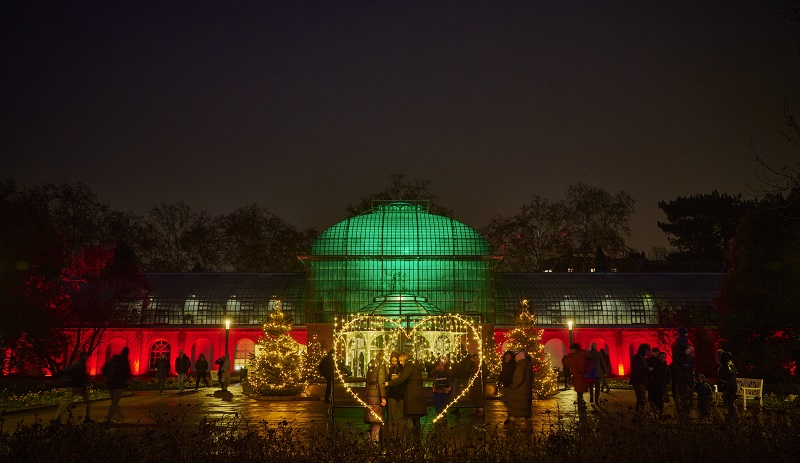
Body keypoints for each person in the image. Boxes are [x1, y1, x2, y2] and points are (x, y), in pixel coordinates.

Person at [385, 352, 426, 441]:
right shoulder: (416, 366)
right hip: (418, 395)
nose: (400, 363)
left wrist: (389, 383)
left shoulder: (408, 366)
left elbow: (402, 379)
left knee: (409, 420)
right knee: (416, 420)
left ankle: (411, 440)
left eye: (400, 360)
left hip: (412, 396)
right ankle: (417, 440)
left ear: (404, 359)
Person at [54, 351, 91, 423]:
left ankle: (57, 418)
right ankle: (87, 418)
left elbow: (69, 373)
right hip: (78, 386)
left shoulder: (75, 364)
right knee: (87, 402)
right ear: (84, 357)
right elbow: (81, 377)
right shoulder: (81, 365)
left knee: (65, 402)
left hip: (72, 386)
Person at [363, 350, 387, 443]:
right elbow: (381, 382)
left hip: (369, 395)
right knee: (377, 422)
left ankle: (369, 442)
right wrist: (383, 397)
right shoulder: (381, 366)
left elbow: (367, 380)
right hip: (377, 395)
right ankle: (374, 444)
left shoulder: (371, 366)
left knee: (371, 421)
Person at [103, 347, 131, 424]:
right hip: (118, 384)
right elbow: (126, 372)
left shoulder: (113, 360)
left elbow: (104, 369)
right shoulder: (125, 361)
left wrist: (107, 377)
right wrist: (125, 380)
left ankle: (121, 417)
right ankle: (108, 420)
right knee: (114, 403)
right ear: (127, 353)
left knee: (114, 402)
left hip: (110, 383)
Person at [506, 351, 532, 428]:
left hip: (519, 391)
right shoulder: (527, 365)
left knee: (518, 408)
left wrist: (513, 386)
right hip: (524, 390)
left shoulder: (521, 366)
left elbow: (519, 378)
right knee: (523, 409)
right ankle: (525, 424)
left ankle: (522, 425)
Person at [563, 343, 591, 409]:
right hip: (584, 376)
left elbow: (566, 362)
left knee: (579, 391)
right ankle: (581, 401)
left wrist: (566, 357)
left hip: (579, 376)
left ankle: (580, 404)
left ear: (574, 349)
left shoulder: (576, 356)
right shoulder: (583, 354)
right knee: (580, 391)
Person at [670, 344, 695, 418]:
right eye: (689, 350)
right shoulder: (681, 359)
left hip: (685, 381)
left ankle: (684, 413)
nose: (690, 351)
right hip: (682, 381)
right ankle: (683, 414)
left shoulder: (686, 359)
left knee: (686, 398)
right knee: (684, 398)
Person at [385, 351, 404, 440]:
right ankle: (392, 436)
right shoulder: (390, 369)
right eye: (392, 361)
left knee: (400, 416)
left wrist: (396, 380)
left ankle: (399, 435)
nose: (394, 363)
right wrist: (390, 379)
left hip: (400, 394)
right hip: (392, 394)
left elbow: (403, 380)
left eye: (395, 361)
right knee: (392, 416)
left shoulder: (402, 369)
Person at [449, 344, 471, 415]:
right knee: (455, 393)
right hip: (457, 376)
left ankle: (468, 406)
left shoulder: (467, 356)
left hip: (464, 376)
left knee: (464, 393)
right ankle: (457, 407)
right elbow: (453, 366)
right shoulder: (457, 356)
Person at [648, 351, 670, 418]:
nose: (662, 358)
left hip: (663, 386)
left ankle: (661, 413)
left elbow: (669, 375)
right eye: (661, 357)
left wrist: (667, 381)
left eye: (663, 357)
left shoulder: (666, 366)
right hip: (655, 386)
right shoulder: (655, 365)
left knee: (661, 401)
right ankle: (655, 413)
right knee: (655, 400)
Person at [717, 350, 738, 420]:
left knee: (728, 401)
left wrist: (722, 382)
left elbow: (721, 376)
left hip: (728, 385)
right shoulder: (731, 363)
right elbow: (735, 372)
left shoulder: (724, 365)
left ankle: (732, 416)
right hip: (733, 384)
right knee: (730, 400)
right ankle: (733, 415)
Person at [630, 343, 650, 414]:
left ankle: (640, 413)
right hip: (638, 380)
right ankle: (639, 414)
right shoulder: (637, 357)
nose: (647, 352)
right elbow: (638, 368)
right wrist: (647, 369)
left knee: (642, 398)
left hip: (641, 381)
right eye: (647, 350)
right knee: (641, 398)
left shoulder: (641, 357)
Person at [497, 350, 516, 423]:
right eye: (506, 355)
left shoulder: (512, 365)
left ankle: (511, 417)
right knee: (506, 401)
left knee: (509, 401)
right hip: (505, 384)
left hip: (510, 385)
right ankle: (510, 415)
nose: (507, 357)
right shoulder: (504, 364)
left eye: (509, 355)